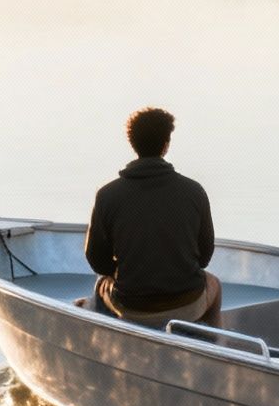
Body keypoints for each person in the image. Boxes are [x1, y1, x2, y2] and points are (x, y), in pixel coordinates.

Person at [83, 106, 221, 327]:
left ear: (132, 144)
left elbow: (96, 260)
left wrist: (118, 272)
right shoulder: (195, 191)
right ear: (166, 145)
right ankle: (212, 346)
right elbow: (204, 257)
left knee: (101, 285)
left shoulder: (107, 195)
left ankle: (108, 339)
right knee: (214, 284)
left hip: (130, 306)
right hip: (187, 304)